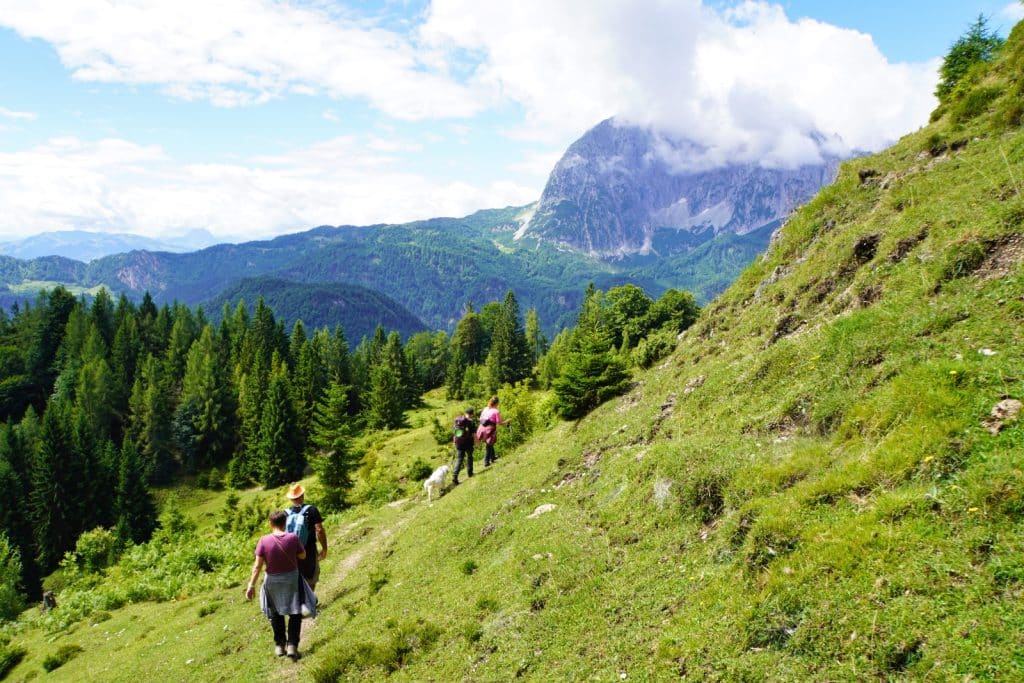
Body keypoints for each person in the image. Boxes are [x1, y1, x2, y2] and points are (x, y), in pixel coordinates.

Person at [245, 510, 307, 659]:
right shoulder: (293, 538)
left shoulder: (263, 540)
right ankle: (292, 645)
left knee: (276, 614)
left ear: (270, 524)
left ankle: (279, 646)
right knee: (295, 613)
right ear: (285, 523)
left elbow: (258, 566)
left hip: (272, 581)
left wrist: (251, 585)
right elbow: (303, 555)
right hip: (292, 579)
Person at [285, 484, 327, 590]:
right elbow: (319, 530)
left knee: (297, 576)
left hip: (292, 551)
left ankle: (301, 602)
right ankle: (310, 600)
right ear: (302, 495)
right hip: (309, 548)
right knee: (311, 575)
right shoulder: (311, 510)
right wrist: (324, 548)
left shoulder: (285, 514)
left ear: (291, 499)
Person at [477, 396, 507, 467]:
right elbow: (499, 423)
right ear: (497, 403)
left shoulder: (485, 409)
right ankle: (486, 462)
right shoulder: (496, 411)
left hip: (481, 428)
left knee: (490, 443)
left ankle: (493, 457)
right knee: (489, 444)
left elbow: (480, 418)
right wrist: (507, 421)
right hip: (489, 429)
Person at [452, 407, 477, 485]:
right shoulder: (471, 422)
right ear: (472, 414)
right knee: (469, 456)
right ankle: (470, 473)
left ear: (465, 413)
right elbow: (474, 435)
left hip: (458, 443)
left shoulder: (457, 420)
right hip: (468, 443)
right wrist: (477, 443)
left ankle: (455, 476)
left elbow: (454, 432)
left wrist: (454, 442)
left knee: (459, 459)